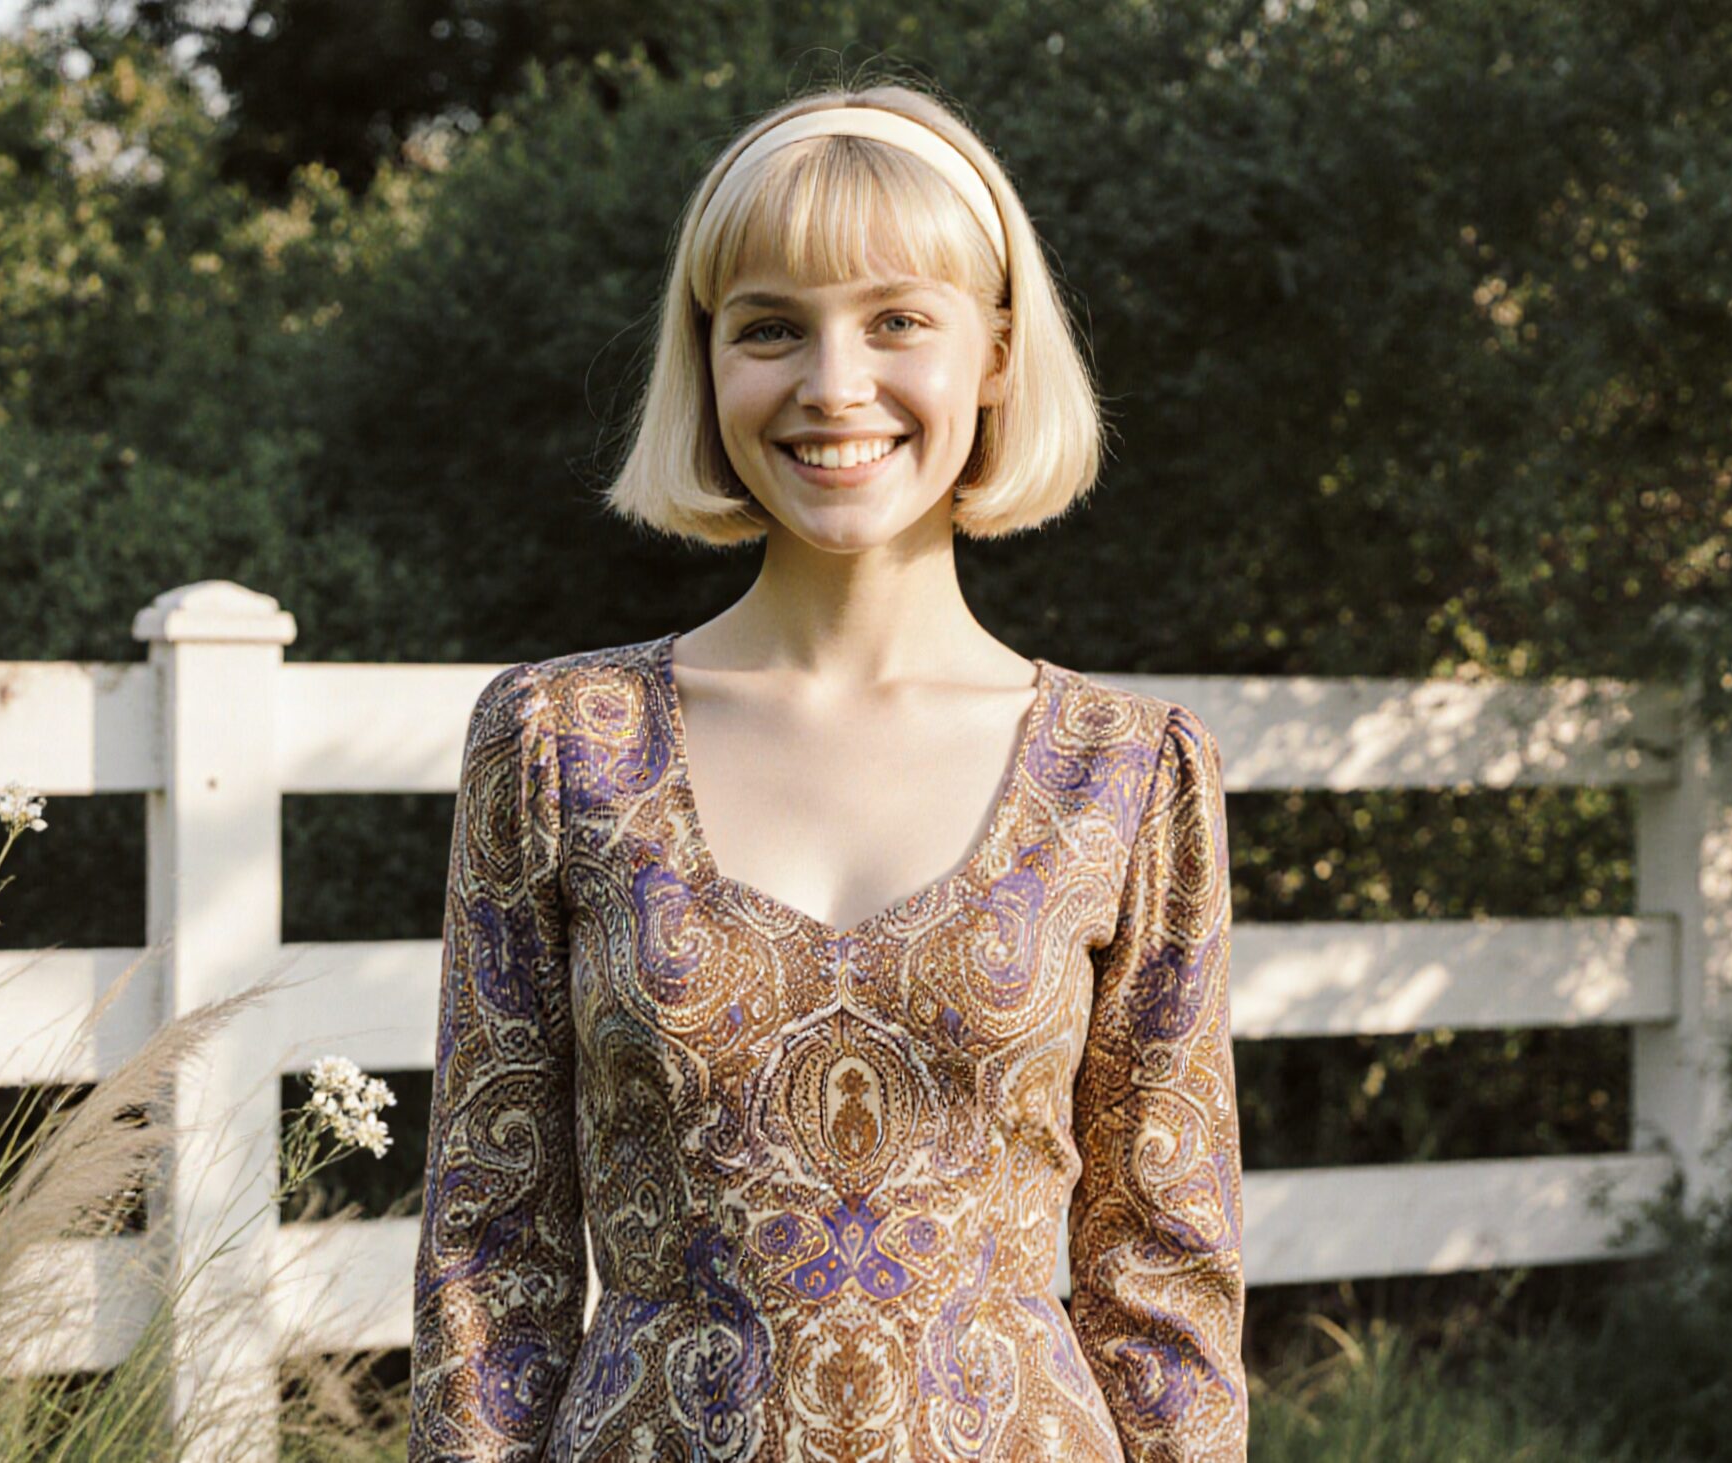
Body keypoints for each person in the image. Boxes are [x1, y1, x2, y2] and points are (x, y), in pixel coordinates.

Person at [408, 80, 1246, 1462]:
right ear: (706, 362)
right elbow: (490, 1260)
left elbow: (1166, 1288)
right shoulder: (560, 741)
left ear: (996, 353)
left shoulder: (1127, 771)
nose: (833, 384)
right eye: (771, 327)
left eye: (897, 320)